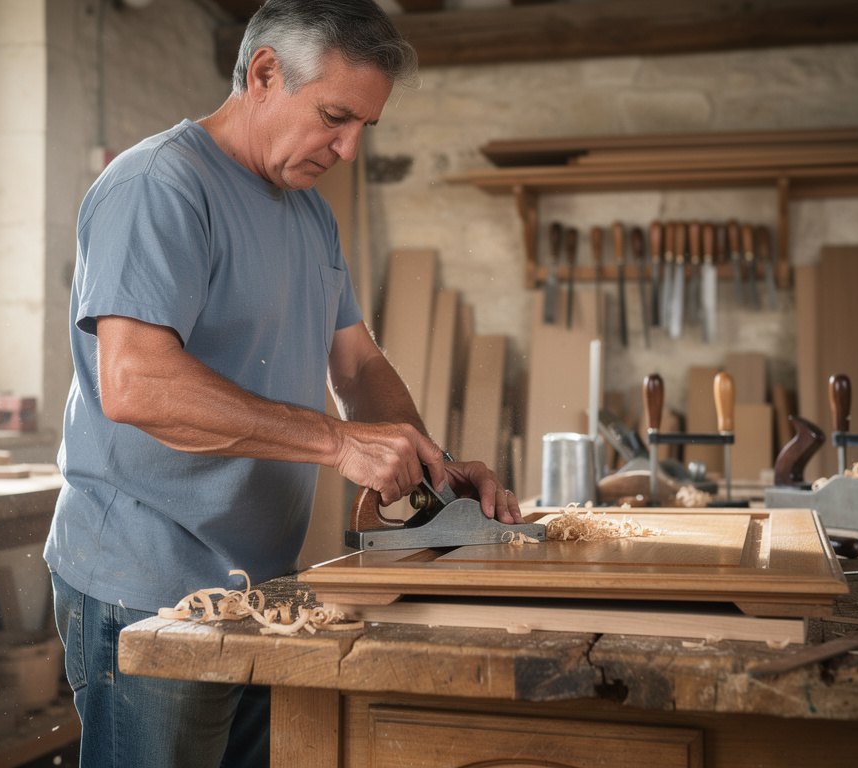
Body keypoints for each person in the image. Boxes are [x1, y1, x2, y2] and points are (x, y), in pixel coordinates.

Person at [43, 1, 524, 765]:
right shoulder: (160, 186)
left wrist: (430, 466)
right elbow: (135, 383)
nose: (349, 149)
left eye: (366, 127)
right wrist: (337, 442)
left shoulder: (309, 216)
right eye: (336, 116)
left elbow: (358, 365)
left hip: (265, 584)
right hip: (148, 581)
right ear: (264, 72)